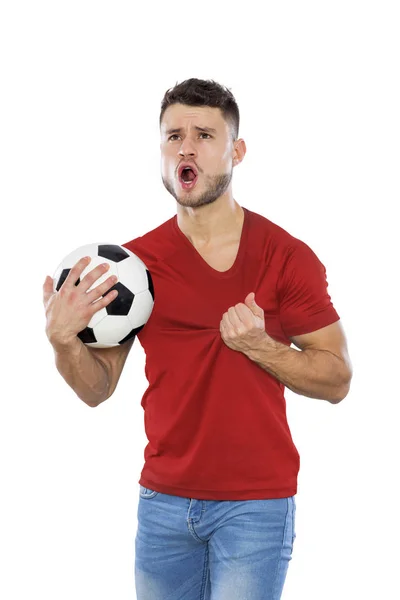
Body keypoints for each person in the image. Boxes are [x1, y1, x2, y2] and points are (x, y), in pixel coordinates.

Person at [43, 78, 353, 600]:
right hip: (162, 504)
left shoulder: (286, 255)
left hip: (254, 506)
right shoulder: (133, 267)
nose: (185, 146)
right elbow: (97, 390)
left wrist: (260, 346)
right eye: (173, 136)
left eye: (205, 135)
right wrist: (63, 341)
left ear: (237, 151)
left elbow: (338, 379)